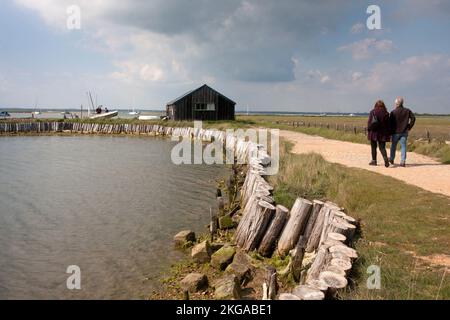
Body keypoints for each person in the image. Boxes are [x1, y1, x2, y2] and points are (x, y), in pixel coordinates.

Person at [389, 97, 415, 167]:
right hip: (404, 131)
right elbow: (413, 118)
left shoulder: (393, 112)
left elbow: (390, 123)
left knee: (393, 146)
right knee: (403, 146)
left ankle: (391, 159)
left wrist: (390, 133)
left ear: (397, 103)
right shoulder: (407, 111)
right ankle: (402, 161)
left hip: (395, 132)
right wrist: (409, 126)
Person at [367, 100, 391, 167]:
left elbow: (369, 122)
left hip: (373, 132)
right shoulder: (386, 113)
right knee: (382, 147)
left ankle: (374, 161)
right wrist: (389, 133)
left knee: (373, 147)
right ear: (383, 105)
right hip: (382, 133)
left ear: (376, 105)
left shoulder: (372, 112)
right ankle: (385, 158)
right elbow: (388, 124)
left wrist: (369, 129)